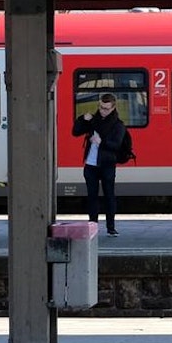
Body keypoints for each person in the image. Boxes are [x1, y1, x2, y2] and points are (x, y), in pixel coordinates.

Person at [72, 92, 129, 237]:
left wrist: (101, 142)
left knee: (109, 195)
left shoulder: (118, 125)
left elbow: (116, 144)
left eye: (106, 108)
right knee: (92, 196)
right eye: (101, 107)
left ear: (113, 108)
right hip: (91, 165)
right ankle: (93, 226)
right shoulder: (93, 120)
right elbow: (75, 132)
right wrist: (82, 119)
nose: (103, 111)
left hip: (107, 164)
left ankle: (111, 227)